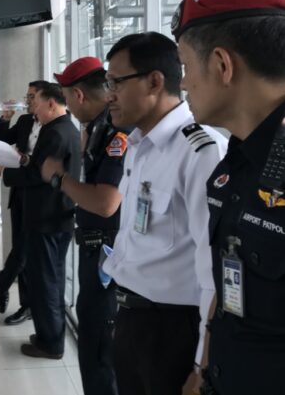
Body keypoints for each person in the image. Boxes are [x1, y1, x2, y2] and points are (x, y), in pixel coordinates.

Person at [173, 0, 285, 395]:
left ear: (222, 65)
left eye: (185, 66)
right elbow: (230, 276)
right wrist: (203, 370)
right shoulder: (237, 159)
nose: (182, 83)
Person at [100, 32, 227, 395]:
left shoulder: (202, 153)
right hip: (132, 319)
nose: (109, 94)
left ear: (155, 81)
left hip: (174, 331)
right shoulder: (139, 147)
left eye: (116, 83)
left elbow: (213, 272)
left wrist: (202, 365)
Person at [41, 57, 126, 395]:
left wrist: (58, 177)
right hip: (94, 248)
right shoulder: (97, 129)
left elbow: (106, 203)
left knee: (101, 346)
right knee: (92, 340)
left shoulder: (117, 132)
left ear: (77, 94)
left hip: (108, 251)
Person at [0, 82, 81, 360]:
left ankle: (50, 342)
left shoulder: (55, 133)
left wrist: (5, 173)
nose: (33, 109)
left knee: (46, 283)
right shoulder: (66, 129)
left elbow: (38, 176)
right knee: (49, 280)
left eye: (37, 103)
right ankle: (48, 335)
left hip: (47, 216)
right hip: (54, 216)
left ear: (52, 104)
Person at [0, 81, 45, 325]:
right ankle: (27, 305)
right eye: (28, 96)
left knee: (26, 253)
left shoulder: (55, 126)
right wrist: (4, 119)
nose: (29, 100)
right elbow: (4, 141)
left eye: (33, 96)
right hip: (21, 192)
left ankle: (4, 281)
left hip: (42, 197)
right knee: (21, 248)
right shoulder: (25, 121)